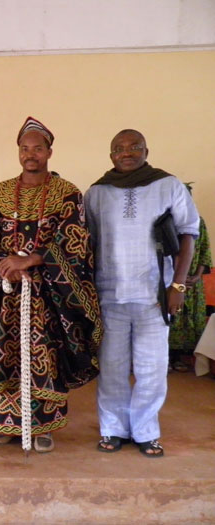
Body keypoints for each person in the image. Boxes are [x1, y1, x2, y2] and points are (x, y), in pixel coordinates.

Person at [0, 117, 101, 453]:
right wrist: (3, 263)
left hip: (50, 293)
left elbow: (76, 242)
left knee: (46, 355)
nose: (31, 154)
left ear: (49, 152)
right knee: (5, 352)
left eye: (37, 148)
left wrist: (32, 259)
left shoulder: (67, 193)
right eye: (25, 149)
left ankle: (44, 426)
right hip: (6, 291)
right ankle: (6, 423)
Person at [85, 129, 199, 458]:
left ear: (146, 150)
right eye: (119, 148)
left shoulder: (168, 185)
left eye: (134, 147)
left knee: (152, 367)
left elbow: (188, 235)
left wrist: (177, 285)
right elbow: (88, 243)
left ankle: (146, 430)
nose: (127, 152)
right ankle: (113, 429)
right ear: (111, 155)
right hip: (110, 294)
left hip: (155, 295)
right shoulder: (97, 192)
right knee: (112, 367)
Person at [168, 184, 211, 372]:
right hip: (170, 279)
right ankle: (166, 358)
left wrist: (196, 276)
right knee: (169, 317)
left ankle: (179, 358)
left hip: (192, 281)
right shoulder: (165, 222)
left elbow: (204, 252)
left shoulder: (199, 222)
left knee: (188, 319)